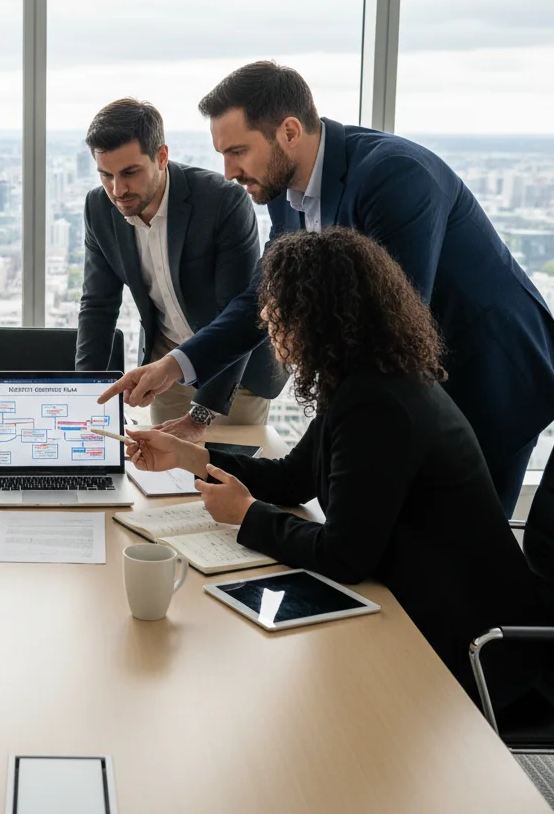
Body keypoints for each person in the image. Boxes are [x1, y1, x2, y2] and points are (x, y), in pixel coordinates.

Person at [127, 228, 554, 711]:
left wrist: (247, 515)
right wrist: (188, 457)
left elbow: (346, 557)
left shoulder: (380, 403)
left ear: (318, 316)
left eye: (279, 306)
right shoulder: (363, 380)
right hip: (416, 606)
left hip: (465, 647)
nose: (266, 318)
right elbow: (293, 478)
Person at [101, 61, 554, 513]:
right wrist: (175, 366)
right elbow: (264, 298)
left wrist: (320, 449)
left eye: (237, 150)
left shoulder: (393, 176)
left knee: (464, 547)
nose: (228, 171)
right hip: (411, 384)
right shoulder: (284, 193)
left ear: (290, 132)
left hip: (490, 376)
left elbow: (388, 331)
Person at [75, 98, 284, 430]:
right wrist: (83, 396)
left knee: (222, 470)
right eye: (106, 175)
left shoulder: (221, 202)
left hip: (234, 366)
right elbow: (98, 306)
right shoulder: (99, 207)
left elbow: (237, 312)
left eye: (130, 172)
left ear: (161, 157)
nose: (118, 190)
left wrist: (200, 416)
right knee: (166, 474)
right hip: (166, 357)